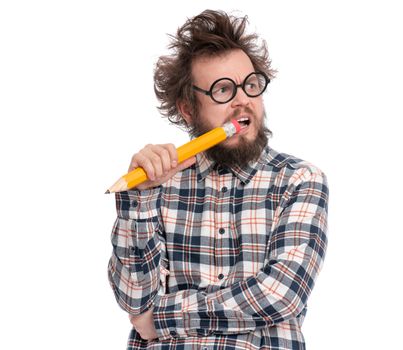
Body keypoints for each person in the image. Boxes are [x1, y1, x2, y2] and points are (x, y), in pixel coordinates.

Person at [107, 9, 329, 350]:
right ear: (188, 109)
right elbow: (134, 301)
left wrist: (164, 318)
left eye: (250, 85)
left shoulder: (298, 180)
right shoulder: (161, 182)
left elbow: (281, 293)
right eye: (223, 90)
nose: (243, 101)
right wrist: (142, 198)